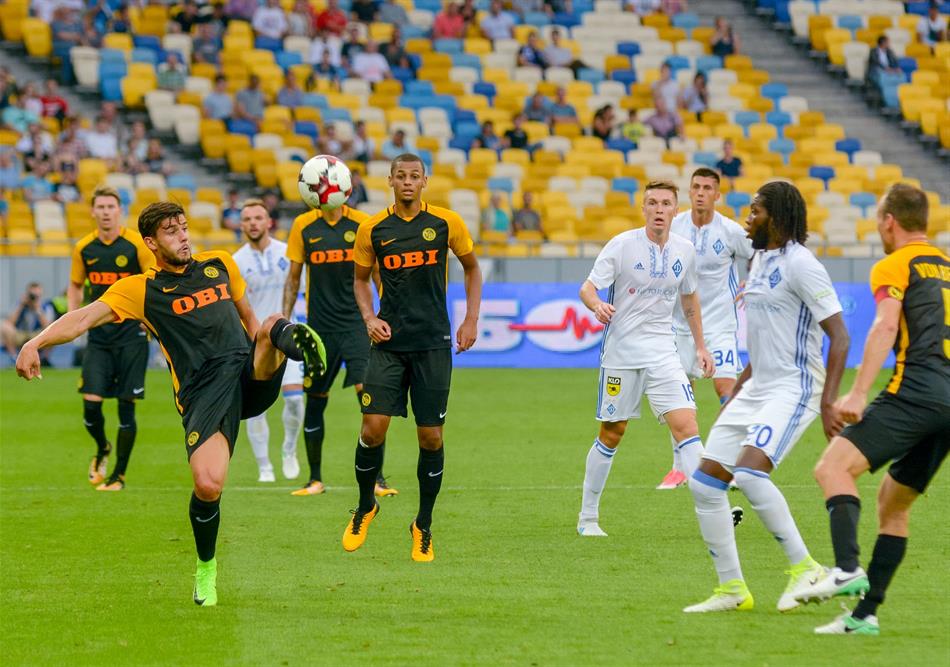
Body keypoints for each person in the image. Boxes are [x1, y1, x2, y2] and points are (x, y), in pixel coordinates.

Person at [16, 201, 326, 607]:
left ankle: (304, 354)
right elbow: (83, 318)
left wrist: (267, 352)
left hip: (246, 372)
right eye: (171, 231)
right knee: (208, 484)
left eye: (184, 227)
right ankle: (206, 569)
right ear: (151, 242)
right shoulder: (139, 290)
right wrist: (35, 342)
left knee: (270, 325)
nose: (183, 236)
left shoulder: (219, 264)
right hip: (202, 393)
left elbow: (251, 320)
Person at [683, 180, 850, 614]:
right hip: (756, 387)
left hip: (794, 387)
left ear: (776, 217)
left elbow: (839, 336)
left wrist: (828, 402)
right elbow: (764, 338)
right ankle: (732, 589)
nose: (748, 217)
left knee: (751, 474)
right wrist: (739, 388)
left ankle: (806, 569)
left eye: (755, 210)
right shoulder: (758, 260)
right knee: (704, 484)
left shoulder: (802, 265)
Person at [794, 184, 949, 635]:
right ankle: (865, 616)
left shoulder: (894, 264)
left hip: (915, 392)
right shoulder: (946, 266)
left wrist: (858, 393)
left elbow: (884, 325)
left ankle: (846, 569)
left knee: (832, 469)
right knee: (893, 504)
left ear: (888, 221)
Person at [340, 153, 482, 562]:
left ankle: (423, 524)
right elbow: (360, 281)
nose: (407, 181)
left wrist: (470, 319)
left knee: (431, 437)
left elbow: (472, 269)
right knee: (372, 429)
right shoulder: (372, 229)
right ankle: (365, 506)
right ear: (390, 181)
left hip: (433, 344)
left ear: (424, 181)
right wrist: (369, 317)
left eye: (414, 176)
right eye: (400, 176)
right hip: (388, 345)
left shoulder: (446, 223)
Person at [577, 181, 713, 537]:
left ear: (675, 210)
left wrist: (701, 346)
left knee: (687, 426)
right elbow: (587, 288)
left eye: (665, 203)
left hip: (664, 352)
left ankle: (714, 511)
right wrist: (597, 305)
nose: (658, 209)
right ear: (643, 209)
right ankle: (588, 518)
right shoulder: (622, 245)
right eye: (652, 203)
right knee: (613, 432)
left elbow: (689, 298)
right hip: (622, 353)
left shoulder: (685, 250)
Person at [283, 195, 397, 497]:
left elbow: (377, 272)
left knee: (370, 400)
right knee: (315, 400)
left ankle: (377, 480)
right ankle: (315, 480)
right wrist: (286, 320)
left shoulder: (361, 223)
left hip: (357, 326)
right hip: (320, 330)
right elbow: (293, 277)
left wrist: (387, 312)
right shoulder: (303, 225)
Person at [657, 168, 754, 490]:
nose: (701, 193)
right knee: (679, 395)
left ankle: (729, 464)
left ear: (717, 195)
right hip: (679, 325)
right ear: (689, 191)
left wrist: (751, 280)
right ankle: (680, 467)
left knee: (727, 389)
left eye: (707, 188)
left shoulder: (730, 231)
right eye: (696, 187)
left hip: (719, 325)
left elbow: (759, 254)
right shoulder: (676, 226)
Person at [66, 186, 154, 490]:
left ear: (120, 211)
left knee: (126, 407)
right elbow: (75, 285)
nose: (105, 212)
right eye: (100, 207)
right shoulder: (84, 248)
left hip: (131, 335)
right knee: (91, 406)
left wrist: (149, 320)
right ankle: (103, 447)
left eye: (110, 207)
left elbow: (152, 281)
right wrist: (74, 318)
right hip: (99, 338)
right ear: (93, 211)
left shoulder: (135, 244)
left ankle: (119, 475)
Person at [232, 200, 306, 483]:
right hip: (255, 342)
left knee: (295, 400)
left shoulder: (287, 252)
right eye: (247, 219)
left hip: (287, 337)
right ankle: (264, 466)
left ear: (268, 222)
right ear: (241, 225)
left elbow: (302, 290)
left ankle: (289, 448)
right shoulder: (236, 262)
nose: (253, 223)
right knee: (256, 408)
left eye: (258, 217)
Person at [2, 282, 51, 361]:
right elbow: (9, 323)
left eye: (36, 296)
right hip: (20, 334)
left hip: (36, 335)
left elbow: (48, 327)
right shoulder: (19, 304)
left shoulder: (45, 307)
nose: (33, 298)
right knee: (4, 326)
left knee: (53, 329)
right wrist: (21, 306)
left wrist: (38, 309)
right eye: (31, 295)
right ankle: (14, 357)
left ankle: (44, 358)